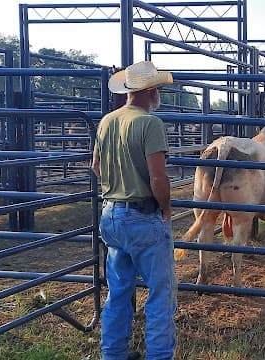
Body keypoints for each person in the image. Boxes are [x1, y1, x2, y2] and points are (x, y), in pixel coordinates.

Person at [92, 60, 176, 360]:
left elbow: (96, 167)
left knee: (118, 292)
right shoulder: (149, 123)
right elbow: (158, 178)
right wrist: (165, 211)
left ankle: (112, 354)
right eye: (158, 89)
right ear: (150, 90)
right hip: (143, 217)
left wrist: (118, 186)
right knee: (161, 296)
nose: (159, 94)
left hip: (111, 214)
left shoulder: (107, 121)